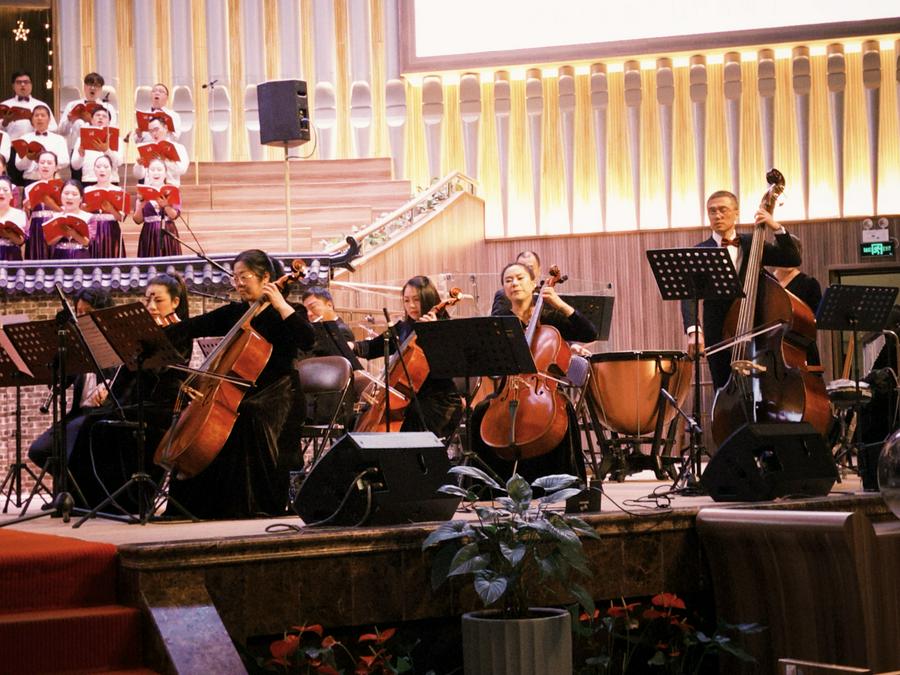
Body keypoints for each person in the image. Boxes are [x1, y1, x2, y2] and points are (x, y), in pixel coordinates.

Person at [162, 250, 315, 519]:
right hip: (243, 390)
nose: (238, 283)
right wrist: (156, 333)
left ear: (265, 277)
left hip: (281, 393)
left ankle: (251, 505)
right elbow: (194, 326)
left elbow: (308, 340)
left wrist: (280, 303)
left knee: (247, 416)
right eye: (235, 278)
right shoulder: (237, 312)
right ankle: (200, 507)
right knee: (211, 421)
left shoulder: (290, 311)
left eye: (244, 277)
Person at [470, 261, 598, 484]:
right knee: (480, 412)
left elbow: (589, 333)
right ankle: (490, 486)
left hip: (542, 392)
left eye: (520, 278)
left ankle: (562, 485)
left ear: (532, 284)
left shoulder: (550, 318)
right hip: (507, 391)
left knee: (564, 410)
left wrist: (560, 304)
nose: (514, 283)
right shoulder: (500, 322)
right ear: (504, 289)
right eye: (508, 280)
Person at [680, 190, 801, 391]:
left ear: (736, 213)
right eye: (712, 211)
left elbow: (792, 258)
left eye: (723, 210)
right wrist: (694, 331)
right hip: (718, 332)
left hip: (755, 326)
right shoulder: (699, 251)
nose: (717, 215)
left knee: (761, 387)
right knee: (723, 388)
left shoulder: (753, 243)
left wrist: (775, 226)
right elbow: (688, 296)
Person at [353, 276, 464, 440]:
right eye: (406, 300)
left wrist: (433, 334)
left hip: (439, 401)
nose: (411, 305)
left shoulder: (445, 328)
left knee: (409, 417)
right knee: (359, 417)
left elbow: (451, 366)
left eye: (416, 300)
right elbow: (371, 348)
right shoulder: (403, 328)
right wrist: (350, 346)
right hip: (409, 399)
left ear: (429, 299)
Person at [27, 288, 115, 481]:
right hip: (79, 414)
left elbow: (120, 382)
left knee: (71, 451)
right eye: (79, 312)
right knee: (39, 450)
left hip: (102, 414)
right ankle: (72, 489)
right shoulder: (77, 345)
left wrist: (108, 389)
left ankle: (73, 491)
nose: (81, 318)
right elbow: (59, 384)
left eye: (87, 313)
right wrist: (57, 354)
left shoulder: (114, 343)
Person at [769, 237, 823, 368]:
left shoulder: (809, 284)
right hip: (770, 352)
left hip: (802, 350)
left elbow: (815, 321)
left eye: (792, 253)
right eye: (784, 253)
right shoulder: (766, 283)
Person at [58, 73, 118, 160]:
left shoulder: (108, 107)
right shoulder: (72, 105)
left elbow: (112, 131)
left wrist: (91, 120)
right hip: (76, 152)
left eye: (96, 85)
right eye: (90, 84)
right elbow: (61, 131)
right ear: (84, 87)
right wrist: (69, 120)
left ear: (101, 89)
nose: (92, 88)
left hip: (100, 151)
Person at [133, 157, 182, 257]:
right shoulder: (143, 191)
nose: (156, 173)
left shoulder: (172, 190)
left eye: (159, 170)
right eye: (152, 170)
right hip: (149, 233)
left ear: (165, 173)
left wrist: (166, 206)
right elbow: (137, 220)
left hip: (168, 232)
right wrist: (142, 202)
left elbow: (174, 216)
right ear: (147, 173)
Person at [84, 155, 126, 258]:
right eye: (98, 167)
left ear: (111, 169)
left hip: (111, 230)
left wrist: (111, 209)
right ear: (94, 169)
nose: (102, 170)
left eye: (106, 167)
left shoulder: (118, 191)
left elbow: (121, 218)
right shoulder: (87, 190)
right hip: (93, 230)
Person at [69, 105, 122, 187]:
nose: (100, 117)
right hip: (88, 180)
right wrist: (81, 156)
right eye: (97, 115)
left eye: (104, 116)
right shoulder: (81, 139)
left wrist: (107, 150)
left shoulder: (117, 139)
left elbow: (118, 162)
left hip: (111, 181)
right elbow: (75, 166)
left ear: (109, 122)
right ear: (92, 120)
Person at [22, 150, 61, 260]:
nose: (45, 165)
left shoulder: (62, 186)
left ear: (56, 167)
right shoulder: (29, 188)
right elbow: (26, 218)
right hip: (36, 226)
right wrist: (26, 208)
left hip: (55, 225)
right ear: (38, 165)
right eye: (42, 162)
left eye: (49, 163)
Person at [13, 105, 68, 183]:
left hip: (52, 179)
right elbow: (19, 166)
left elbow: (65, 161)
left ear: (49, 120)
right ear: (32, 120)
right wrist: (28, 158)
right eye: (36, 115)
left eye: (43, 115)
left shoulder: (59, 139)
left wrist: (47, 161)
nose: (39, 118)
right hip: (30, 179)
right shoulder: (24, 138)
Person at [133, 115, 189, 187]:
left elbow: (182, 170)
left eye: (156, 129)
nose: (154, 133)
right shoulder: (146, 147)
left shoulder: (179, 147)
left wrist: (166, 160)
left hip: (170, 188)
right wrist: (139, 165)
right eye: (151, 131)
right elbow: (138, 175)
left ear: (165, 128)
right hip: (150, 189)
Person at [1, 71, 58, 141]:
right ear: (13, 86)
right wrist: (5, 122)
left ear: (31, 85)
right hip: (11, 145)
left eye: (26, 82)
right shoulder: (4, 105)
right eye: (19, 82)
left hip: (37, 145)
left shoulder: (42, 105)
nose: (22, 84)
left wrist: (37, 124)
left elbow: (54, 128)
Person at [45, 179, 91, 260]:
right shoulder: (54, 216)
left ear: (81, 198)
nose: (69, 197)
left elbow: (87, 242)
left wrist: (74, 234)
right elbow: (49, 242)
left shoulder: (88, 217)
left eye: (74, 194)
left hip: (80, 257)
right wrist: (61, 232)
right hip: (59, 257)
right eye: (66, 193)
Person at [301, 286, 355, 353]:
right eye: (306, 310)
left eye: (313, 307)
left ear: (329, 305)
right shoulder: (318, 329)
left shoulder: (341, 330)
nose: (309, 314)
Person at [491, 250, 541, 315]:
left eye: (529, 268)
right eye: (520, 266)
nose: (525, 270)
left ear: (539, 271)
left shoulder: (545, 296)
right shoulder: (503, 295)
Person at [0, 176, 26, 260]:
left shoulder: (19, 214)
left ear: (11, 195)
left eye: (5, 190)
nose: (1, 193)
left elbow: (21, 241)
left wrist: (8, 234)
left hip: (12, 257)